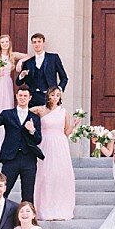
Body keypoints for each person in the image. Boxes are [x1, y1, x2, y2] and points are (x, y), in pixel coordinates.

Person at [0, 86, 43, 204]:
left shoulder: (34, 118)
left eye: (25, 96)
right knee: (3, 191)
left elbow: (38, 140)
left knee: (28, 194)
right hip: (10, 158)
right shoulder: (7, 114)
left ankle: (27, 220)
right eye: (20, 95)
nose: (22, 98)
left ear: (30, 98)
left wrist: (32, 130)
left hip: (28, 159)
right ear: (16, 96)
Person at [31, 87, 76, 221]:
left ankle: (60, 208)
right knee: (45, 174)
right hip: (45, 143)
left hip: (60, 144)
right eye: (53, 94)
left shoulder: (64, 112)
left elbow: (67, 132)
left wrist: (74, 125)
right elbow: (25, 112)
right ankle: (43, 208)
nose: (55, 97)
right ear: (48, 96)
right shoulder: (40, 109)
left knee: (60, 174)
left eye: (58, 95)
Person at [17, 32, 69, 108]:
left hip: (48, 96)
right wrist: (21, 75)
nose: (37, 44)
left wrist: (58, 91)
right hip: (32, 98)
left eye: (39, 41)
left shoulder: (53, 58)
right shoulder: (28, 62)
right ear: (32, 44)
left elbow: (64, 77)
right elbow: (18, 83)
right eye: (34, 42)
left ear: (43, 43)